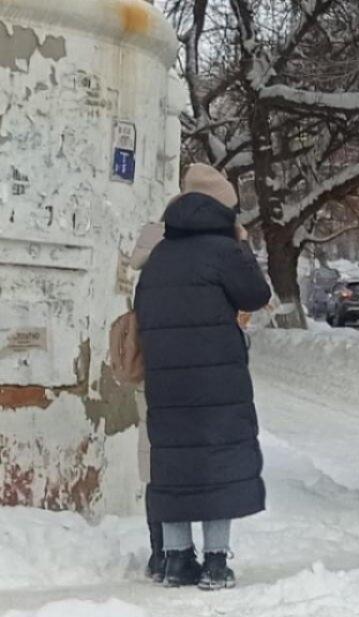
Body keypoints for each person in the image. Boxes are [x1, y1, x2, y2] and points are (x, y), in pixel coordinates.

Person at [135, 164, 272, 590]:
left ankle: (176, 561)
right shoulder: (224, 250)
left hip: (167, 377)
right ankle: (215, 563)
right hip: (218, 378)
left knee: (174, 462)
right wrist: (244, 248)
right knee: (219, 461)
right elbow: (257, 295)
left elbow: (143, 309)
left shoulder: (160, 254)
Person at [130, 218, 166, 581]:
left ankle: (159, 552)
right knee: (175, 465)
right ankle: (172, 549)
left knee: (154, 463)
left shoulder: (146, 274)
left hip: (149, 377)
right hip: (174, 378)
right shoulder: (174, 269)